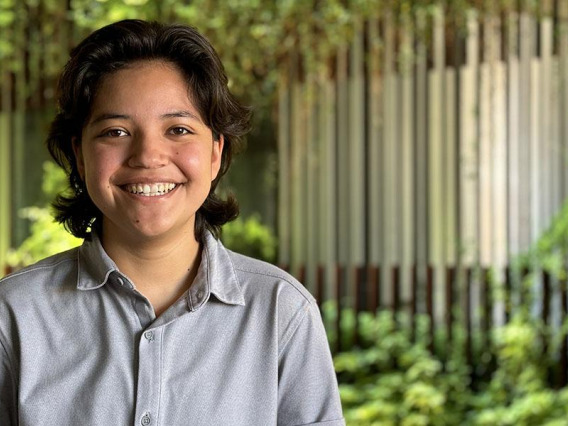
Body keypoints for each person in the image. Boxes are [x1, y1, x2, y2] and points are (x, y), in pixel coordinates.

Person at [0, 20, 344, 425]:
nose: (147, 155)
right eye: (116, 131)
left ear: (216, 152)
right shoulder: (13, 315)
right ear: (80, 155)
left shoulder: (281, 313)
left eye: (178, 129)